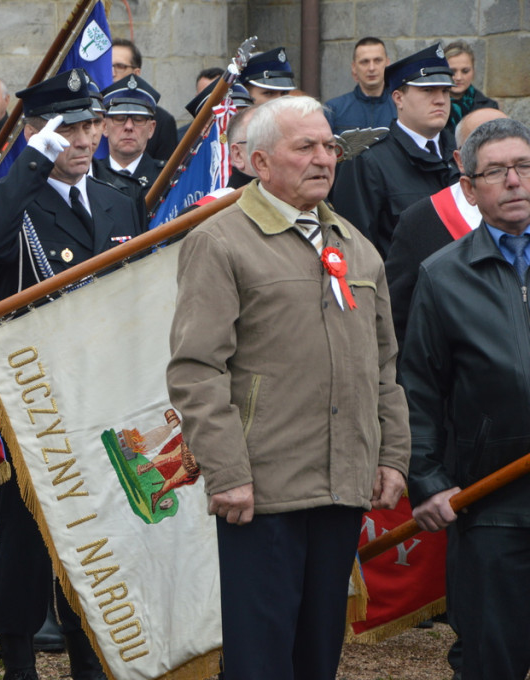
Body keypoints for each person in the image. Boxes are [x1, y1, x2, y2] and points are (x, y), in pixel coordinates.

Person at [166, 95, 410, 680]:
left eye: (330, 146)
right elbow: (197, 369)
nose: (324, 159)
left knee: (317, 655)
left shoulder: (356, 246)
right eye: (306, 147)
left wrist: (392, 455)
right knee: (261, 659)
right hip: (263, 487)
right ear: (258, 162)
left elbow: (383, 366)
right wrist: (228, 472)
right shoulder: (220, 241)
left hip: (342, 483)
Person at [0, 68, 142, 680]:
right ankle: (16, 646)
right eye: (67, 127)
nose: (84, 138)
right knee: (27, 533)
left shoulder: (120, 199)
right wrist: (31, 160)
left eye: (90, 124)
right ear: (37, 132)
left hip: (105, 388)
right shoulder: (13, 196)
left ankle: (91, 648)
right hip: (38, 391)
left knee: (100, 522)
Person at [400, 117, 530, 680]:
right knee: (490, 658)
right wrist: (426, 480)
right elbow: (419, 388)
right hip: (491, 499)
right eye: (497, 171)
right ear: (471, 189)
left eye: (523, 167)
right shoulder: (444, 275)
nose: (514, 181)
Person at [385, 106, 507, 348]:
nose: (502, 162)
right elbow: (397, 318)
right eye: (487, 148)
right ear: (460, 161)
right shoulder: (422, 220)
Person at [332, 44, 460, 257]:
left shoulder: (461, 154)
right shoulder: (368, 160)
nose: (440, 99)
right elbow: (357, 248)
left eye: (445, 90)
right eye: (428, 90)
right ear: (399, 98)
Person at [92, 74, 165, 214]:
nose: (129, 126)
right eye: (120, 119)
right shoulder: (89, 175)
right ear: (104, 127)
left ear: (151, 129)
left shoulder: (167, 178)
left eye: (138, 119)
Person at [110, 39, 177, 161]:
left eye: (120, 66)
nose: (112, 73)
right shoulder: (95, 115)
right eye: (107, 66)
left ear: (136, 73)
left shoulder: (162, 121)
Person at [324, 37, 396, 135]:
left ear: (387, 63)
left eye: (377, 60)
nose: (371, 68)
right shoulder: (333, 110)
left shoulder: (401, 107)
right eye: (365, 62)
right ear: (354, 67)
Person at [444, 40, 499, 132]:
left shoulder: (489, 107)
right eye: (452, 72)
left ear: (473, 71)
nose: (458, 77)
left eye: (465, 71)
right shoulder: (432, 105)